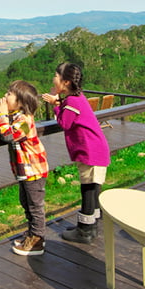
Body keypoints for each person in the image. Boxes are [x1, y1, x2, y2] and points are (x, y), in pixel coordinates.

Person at [42, 62, 111, 244]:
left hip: (90, 151)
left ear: (65, 82)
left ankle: (85, 231)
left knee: (88, 188)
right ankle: (91, 224)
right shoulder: (77, 97)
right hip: (95, 149)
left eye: (55, 76)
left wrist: (56, 104)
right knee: (92, 187)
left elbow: (65, 122)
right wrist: (58, 101)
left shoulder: (72, 101)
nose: (53, 79)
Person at [0, 80, 49, 257]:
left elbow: (8, 136)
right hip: (25, 171)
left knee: (35, 206)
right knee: (26, 203)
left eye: (9, 94)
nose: (5, 96)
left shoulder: (24, 120)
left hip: (34, 170)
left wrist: (1, 116)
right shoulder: (17, 117)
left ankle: (37, 240)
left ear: (20, 102)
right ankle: (32, 234)